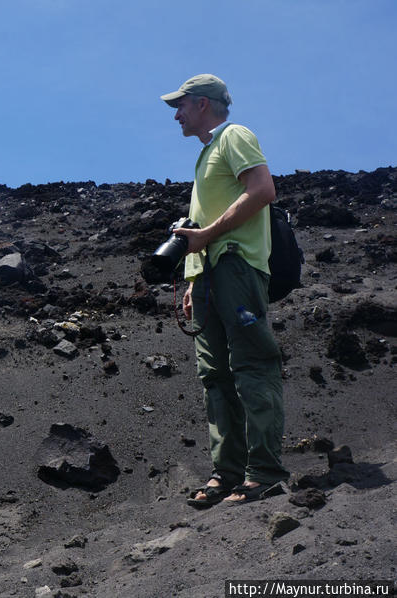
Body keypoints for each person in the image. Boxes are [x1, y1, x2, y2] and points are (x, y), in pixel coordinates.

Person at [160, 75, 288, 506]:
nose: (175, 114)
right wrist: (194, 278)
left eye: (180, 105)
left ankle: (264, 472)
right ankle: (227, 474)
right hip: (208, 277)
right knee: (214, 377)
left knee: (251, 364)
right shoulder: (204, 157)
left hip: (235, 265)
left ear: (201, 104)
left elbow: (263, 190)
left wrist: (209, 234)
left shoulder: (234, 135)